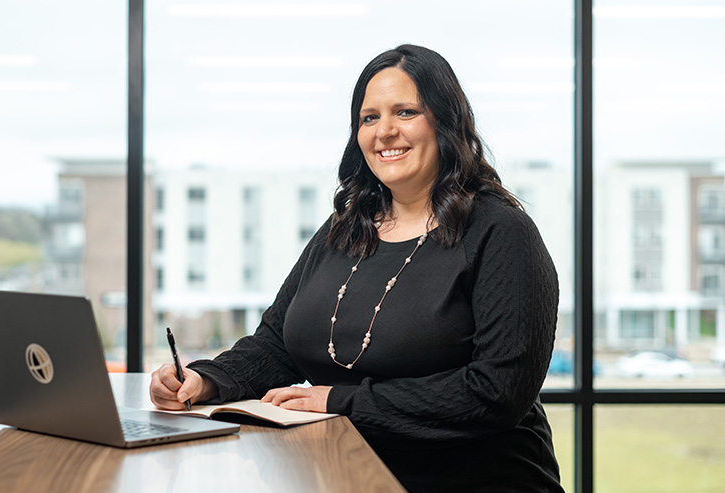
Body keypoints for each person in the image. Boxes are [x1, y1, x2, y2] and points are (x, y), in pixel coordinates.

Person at [150, 44, 564, 492]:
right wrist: (205, 380)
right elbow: (276, 344)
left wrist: (340, 402)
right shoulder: (346, 228)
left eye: (405, 112)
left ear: (446, 122)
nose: (384, 132)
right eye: (369, 118)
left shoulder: (502, 232)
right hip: (343, 474)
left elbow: (496, 392)